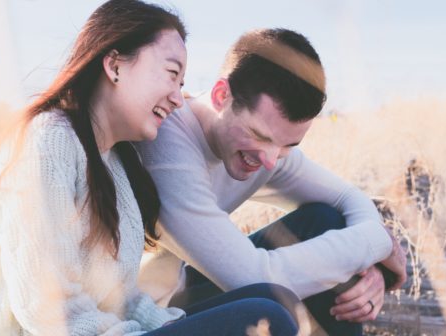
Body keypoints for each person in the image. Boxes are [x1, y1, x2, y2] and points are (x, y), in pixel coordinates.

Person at [0, 1, 300, 335]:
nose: (178, 98)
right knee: (266, 314)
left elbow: (119, 297)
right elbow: (47, 310)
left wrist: (169, 325)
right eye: (171, 74)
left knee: (275, 298)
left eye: (182, 85)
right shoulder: (48, 141)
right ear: (115, 65)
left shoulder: (113, 161)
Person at [135, 28, 408, 335]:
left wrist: (366, 267)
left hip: (181, 294)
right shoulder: (167, 143)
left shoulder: (269, 150)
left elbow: (347, 197)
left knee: (326, 220)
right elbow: (253, 277)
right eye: (259, 136)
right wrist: (376, 244)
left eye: (289, 145)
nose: (269, 159)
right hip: (141, 320)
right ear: (221, 96)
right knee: (269, 308)